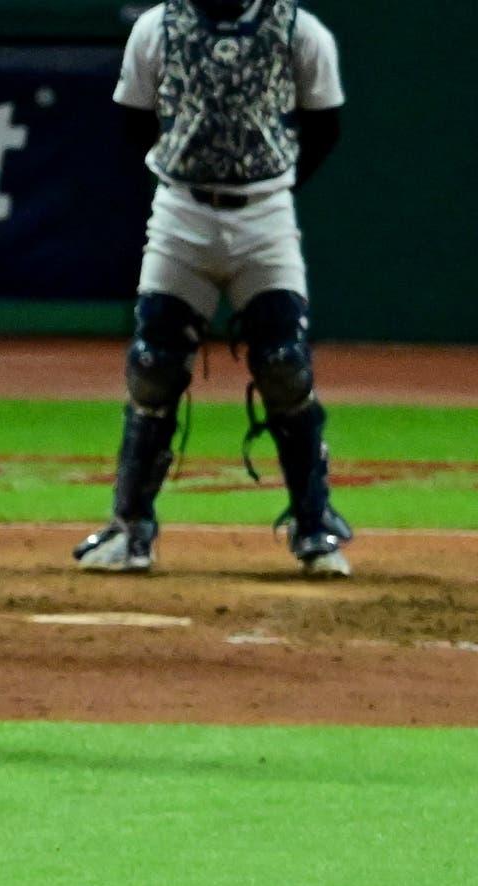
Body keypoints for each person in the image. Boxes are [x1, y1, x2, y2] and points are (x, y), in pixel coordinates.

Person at [73, 0, 349, 575]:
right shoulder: (157, 26)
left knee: (284, 365)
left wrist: (274, 182)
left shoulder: (297, 29)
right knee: (153, 367)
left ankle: (315, 525)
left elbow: (324, 123)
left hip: (265, 213)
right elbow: (134, 118)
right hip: (181, 212)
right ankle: (130, 527)